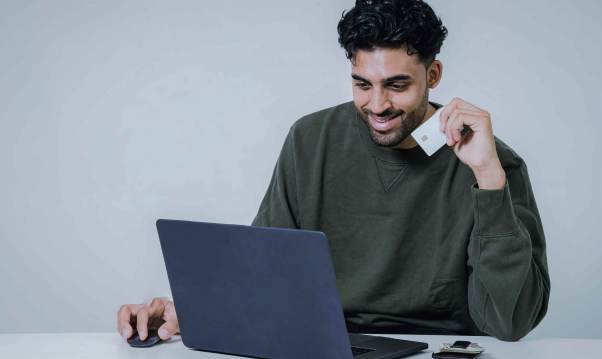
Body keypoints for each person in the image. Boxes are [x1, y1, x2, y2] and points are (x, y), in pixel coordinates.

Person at [117, 0, 550, 343]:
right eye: (363, 84)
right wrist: (185, 311)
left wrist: (489, 180)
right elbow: (264, 273)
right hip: (327, 345)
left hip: (441, 349)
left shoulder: (492, 161)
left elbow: (510, 323)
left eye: (397, 85)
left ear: (433, 75)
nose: (377, 106)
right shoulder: (311, 140)